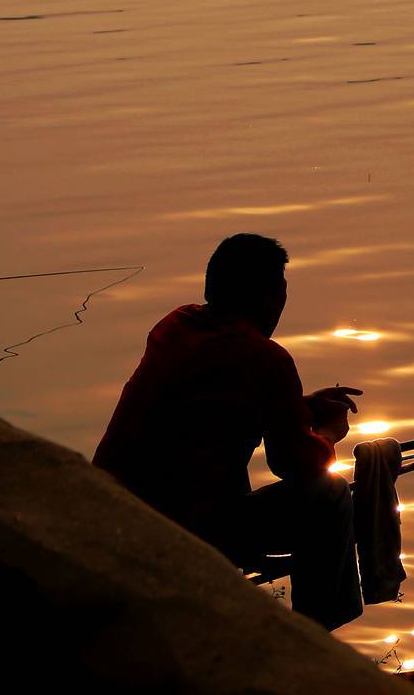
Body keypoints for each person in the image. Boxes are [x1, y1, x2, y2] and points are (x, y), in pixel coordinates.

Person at [94, 233, 364, 627]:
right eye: (281, 295)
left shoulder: (175, 326)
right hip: (186, 531)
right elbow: (292, 463)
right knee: (332, 494)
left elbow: (210, 411)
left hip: (113, 511)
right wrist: (327, 434)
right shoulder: (264, 357)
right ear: (269, 297)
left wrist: (298, 407)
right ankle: (318, 638)